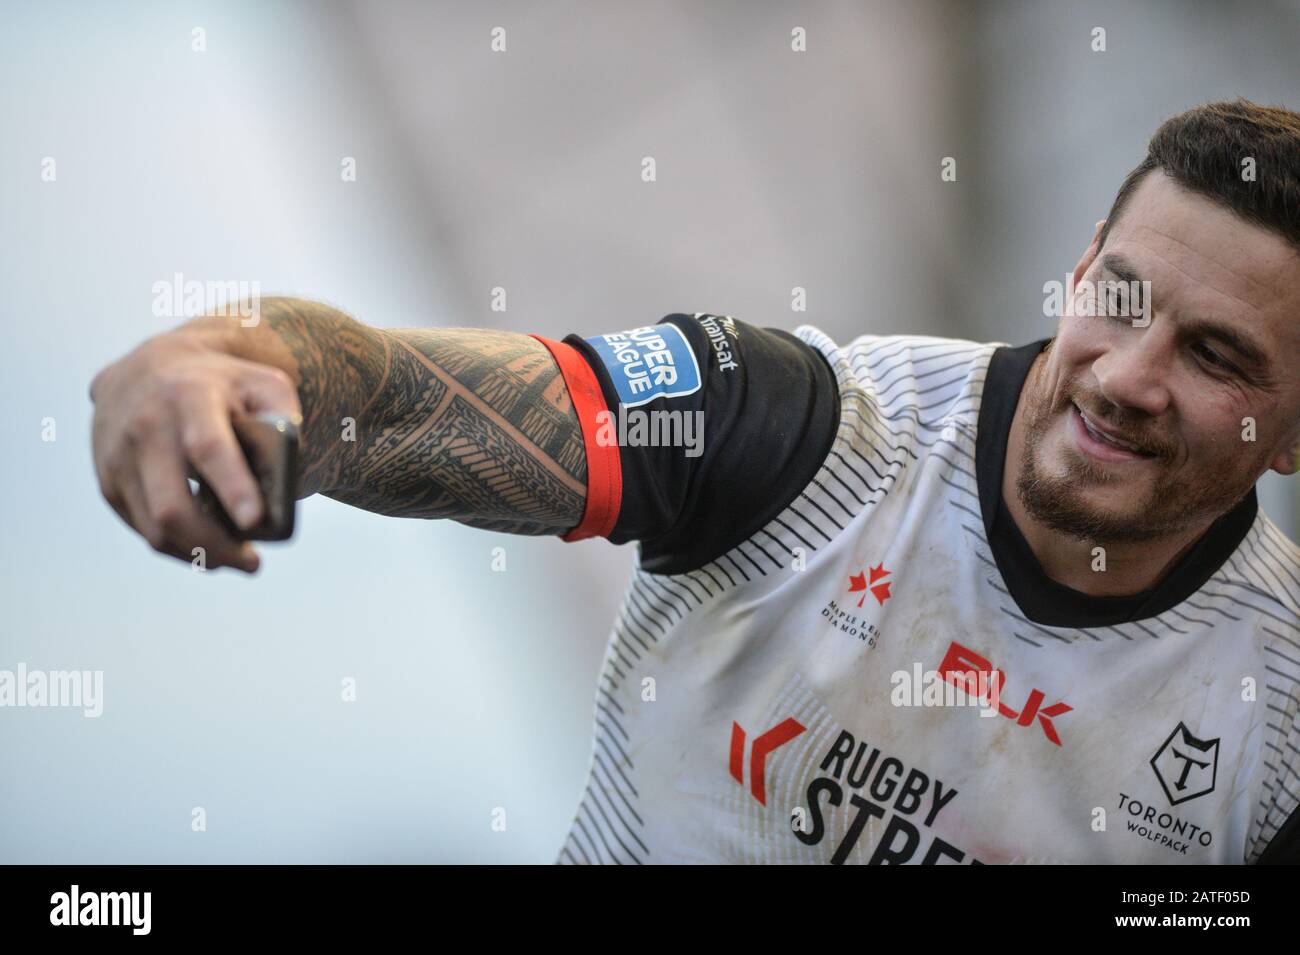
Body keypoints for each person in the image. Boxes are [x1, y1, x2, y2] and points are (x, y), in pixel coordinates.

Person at [90, 98, 1300, 864]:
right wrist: (229, 355)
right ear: (1082, 268)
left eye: (1213, 355)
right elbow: (404, 393)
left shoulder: (1281, 712)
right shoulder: (802, 432)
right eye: (1118, 300)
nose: (1126, 376)